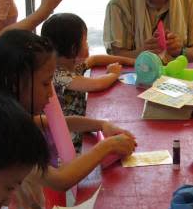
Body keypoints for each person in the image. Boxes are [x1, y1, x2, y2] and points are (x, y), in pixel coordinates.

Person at [0, 30, 136, 209]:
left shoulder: (12, 115)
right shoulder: (7, 134)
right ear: (15, 81)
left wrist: (100, 124)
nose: (51, 93)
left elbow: (59, 123)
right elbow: (60, 179)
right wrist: (106, 147)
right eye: (45, 84)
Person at [41, 13, 135, 152]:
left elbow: (95, 59)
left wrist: (128, 61)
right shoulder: (58, 75)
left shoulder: (72, 65)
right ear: (74, 49)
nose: (88, 45)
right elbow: (97, 85)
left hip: (82, 125)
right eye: (85, 41)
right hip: (68, 139)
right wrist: (113, 74)